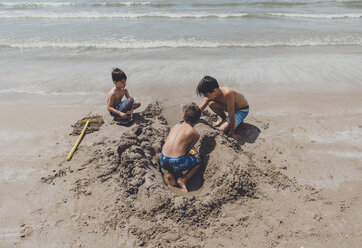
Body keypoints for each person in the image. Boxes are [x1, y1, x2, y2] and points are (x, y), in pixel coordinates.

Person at [160, 103, 202, 192]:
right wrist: (191, 154)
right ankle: (184, 179)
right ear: (198, 121)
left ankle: (170, 173)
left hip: (163, 159)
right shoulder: (195, 133)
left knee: (172, 159)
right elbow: (187, 151)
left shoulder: (175, 126)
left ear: (183, 117)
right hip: (177, 161)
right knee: (198, 163)